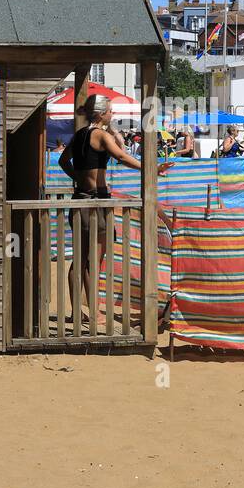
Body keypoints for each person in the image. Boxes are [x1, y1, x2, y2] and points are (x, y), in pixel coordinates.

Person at [59, 96, 171, 329]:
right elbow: (120, 156)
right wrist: (151, 168)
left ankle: (84, 311)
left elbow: (62, 160)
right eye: (110, 111)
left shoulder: (80, 134)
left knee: (84, 260)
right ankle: (87, 312)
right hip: (95, 202)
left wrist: (78, 179)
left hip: (81, 198)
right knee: (90, 260)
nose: (113, 114)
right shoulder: (99, 135)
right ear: (101, 114)